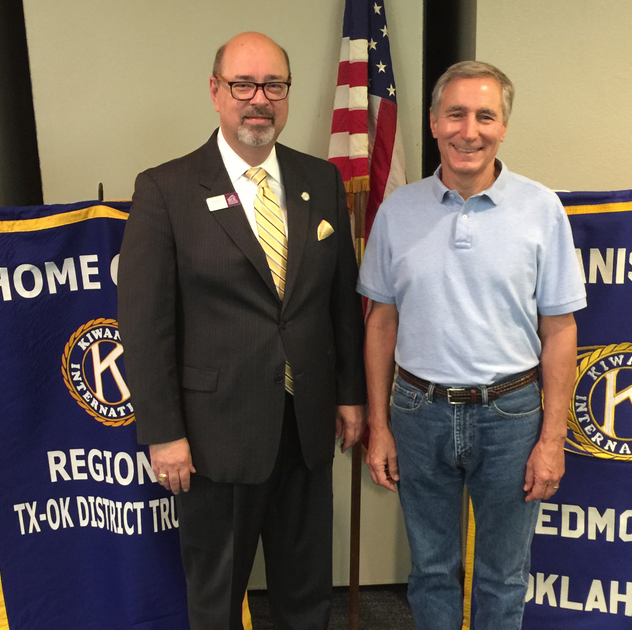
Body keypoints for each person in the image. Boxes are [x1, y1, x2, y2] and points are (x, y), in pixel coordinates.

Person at [117, 31, 367, 630]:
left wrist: (351, 393)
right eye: (244, 85)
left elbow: (340, 301)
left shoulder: (322, 181)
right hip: (212, 438)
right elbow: (145, 324)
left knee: (307, 594)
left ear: (286, 94)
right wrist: (162, 433)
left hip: (306, 426)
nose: (260, 99)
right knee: (217, 598)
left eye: (274, 85)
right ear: (215, 91)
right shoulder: (165, 189)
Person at [357, 60, 586, 629]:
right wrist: (380, 426)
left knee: (504, 576)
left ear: (504, 126)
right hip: (417, 411)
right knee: (431, 570)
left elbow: (560, 331)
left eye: (486, 116)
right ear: (434, 122)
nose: (469, 130)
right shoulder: (397, 210)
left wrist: (552, 440)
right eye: (455, 114)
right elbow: (381, 324)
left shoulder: (541, 209)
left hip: (510, 416)